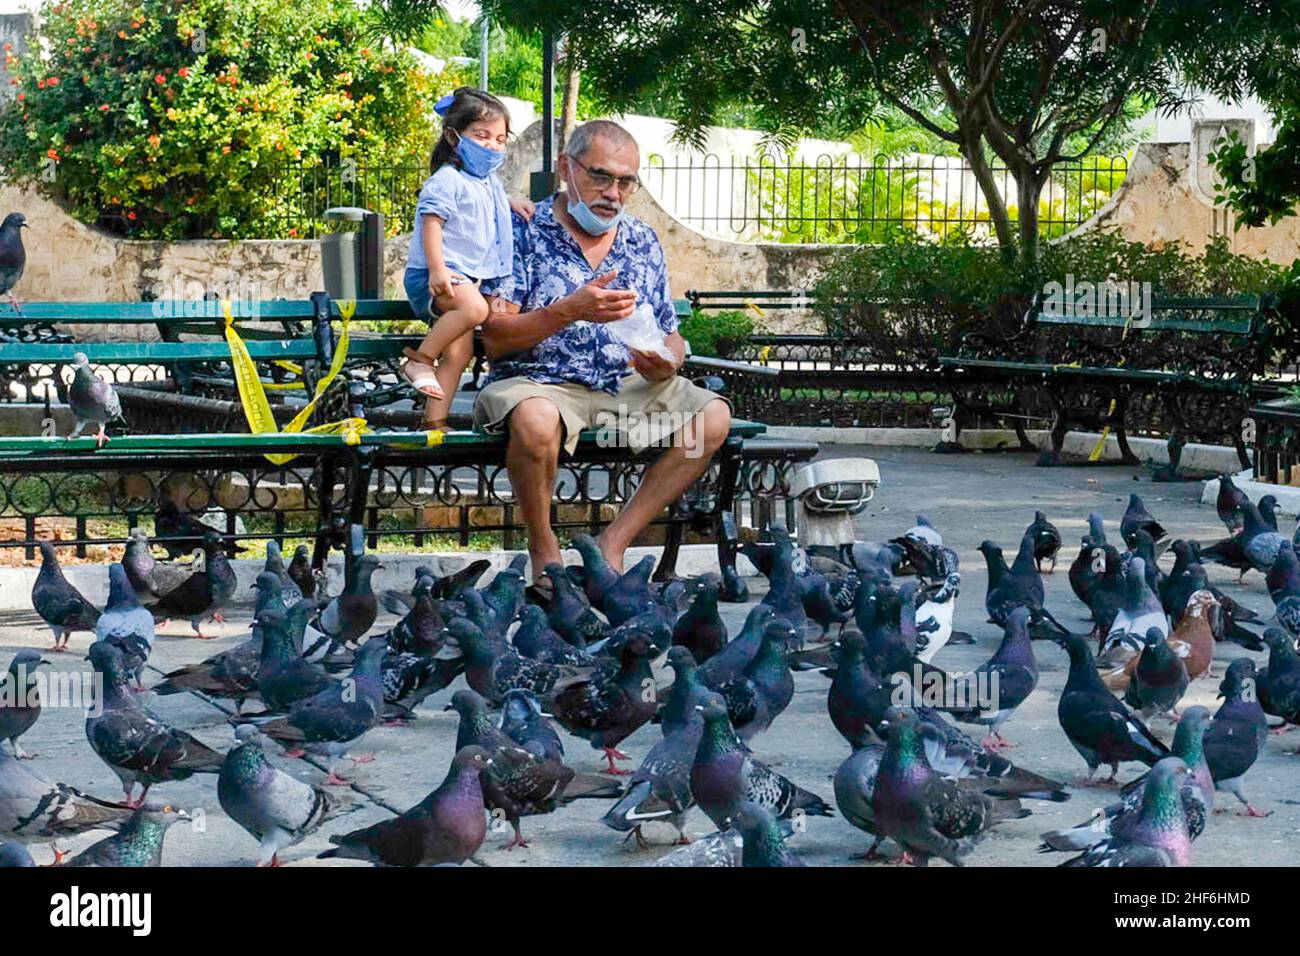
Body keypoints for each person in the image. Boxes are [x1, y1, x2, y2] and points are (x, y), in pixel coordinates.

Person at [476, 120, 732, 580]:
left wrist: (666, 361)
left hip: (626, 387)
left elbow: (670, 333)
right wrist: (567, 311)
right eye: (599, 176)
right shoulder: (520, 230)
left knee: (711, 418)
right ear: (564, 169)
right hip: (539, 383)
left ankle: (612, 545)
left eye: (625, 181)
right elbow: (495, 337)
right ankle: (544, 548)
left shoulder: (641, 240)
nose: (613, 192)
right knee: (535, 420)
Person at [402, 87, 532, 428]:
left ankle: (434, 424)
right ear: (453, 135)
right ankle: (420, 360)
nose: (493, 145)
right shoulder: (447, 180)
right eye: (482, 135)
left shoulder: (486, 181)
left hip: (460, 277)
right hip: (433, 275)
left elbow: (491, 202)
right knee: (476, 309)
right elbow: (431, 224)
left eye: (501, 139)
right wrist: (437, 270)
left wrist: (512, 203)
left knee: (460, 353)